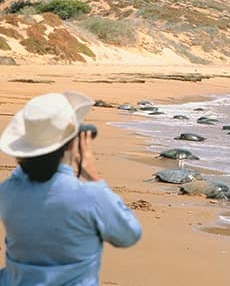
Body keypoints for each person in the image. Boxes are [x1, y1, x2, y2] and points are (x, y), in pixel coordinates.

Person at [0, 90, 142, 285]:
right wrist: (93, 176)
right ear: (72, 144)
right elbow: (129, 235)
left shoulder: (8, 191)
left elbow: (26, 174)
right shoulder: (91, 196)